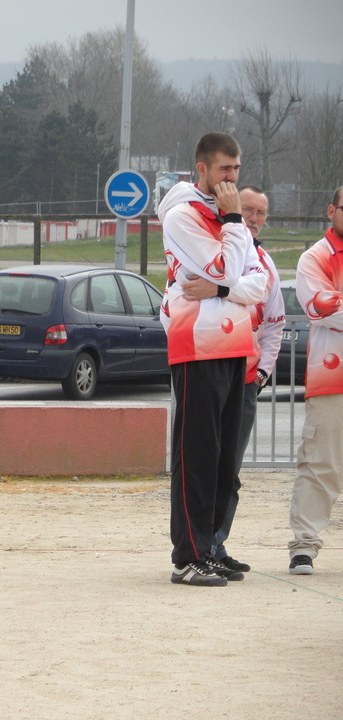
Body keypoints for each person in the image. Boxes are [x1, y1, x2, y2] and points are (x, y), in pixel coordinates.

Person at [158, 132, 267, 587]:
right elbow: (223, 268)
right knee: (197, 453)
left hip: (236, 345)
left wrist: (224, 287)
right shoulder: (184, 217)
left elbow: (256, 279)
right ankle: (188, 555)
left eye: (237, 170)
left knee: (223, 459)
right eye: (224, 170)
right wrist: (232, 227)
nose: (232, 179)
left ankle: (212, 546)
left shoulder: (227, 219)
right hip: (196, 343)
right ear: (201, 169)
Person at [179, 187, 286, 578]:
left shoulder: (265, 263)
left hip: (245, 378)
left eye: (261, 212)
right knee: (204, 463)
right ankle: (199, 547)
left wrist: (262, 373)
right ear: (232, 208)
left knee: (229, 470)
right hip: (210, 364)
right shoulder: (211, 249)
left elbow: (274, 322)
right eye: (247, 209)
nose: (254, 217)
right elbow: (190, 291)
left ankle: (217, 544)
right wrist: (227, 288)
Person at [286, 186, 343, 575]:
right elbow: (321, 309)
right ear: (332, 210)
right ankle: (304, 546)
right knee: (321, 463)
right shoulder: (315, 258)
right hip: (331, 377)